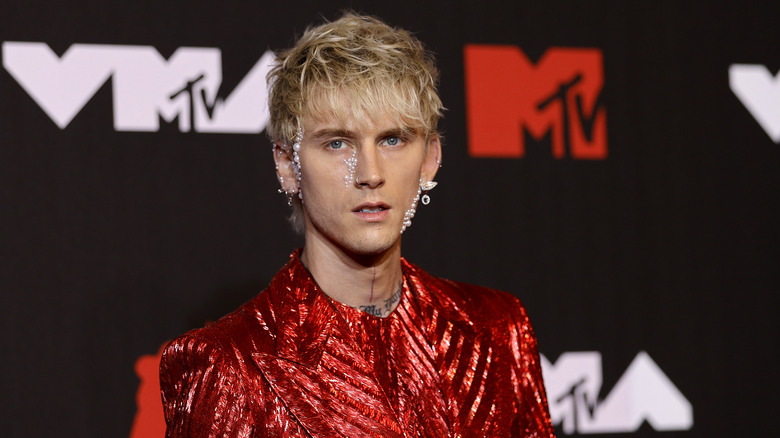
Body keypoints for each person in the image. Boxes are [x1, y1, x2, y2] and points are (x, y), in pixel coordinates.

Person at [159, 12, 555, 437]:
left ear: (429, 159)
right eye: (337, 142)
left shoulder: (497, 331)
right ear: (287, 166)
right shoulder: (226, 365)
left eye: (392, 139)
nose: (369, 172)